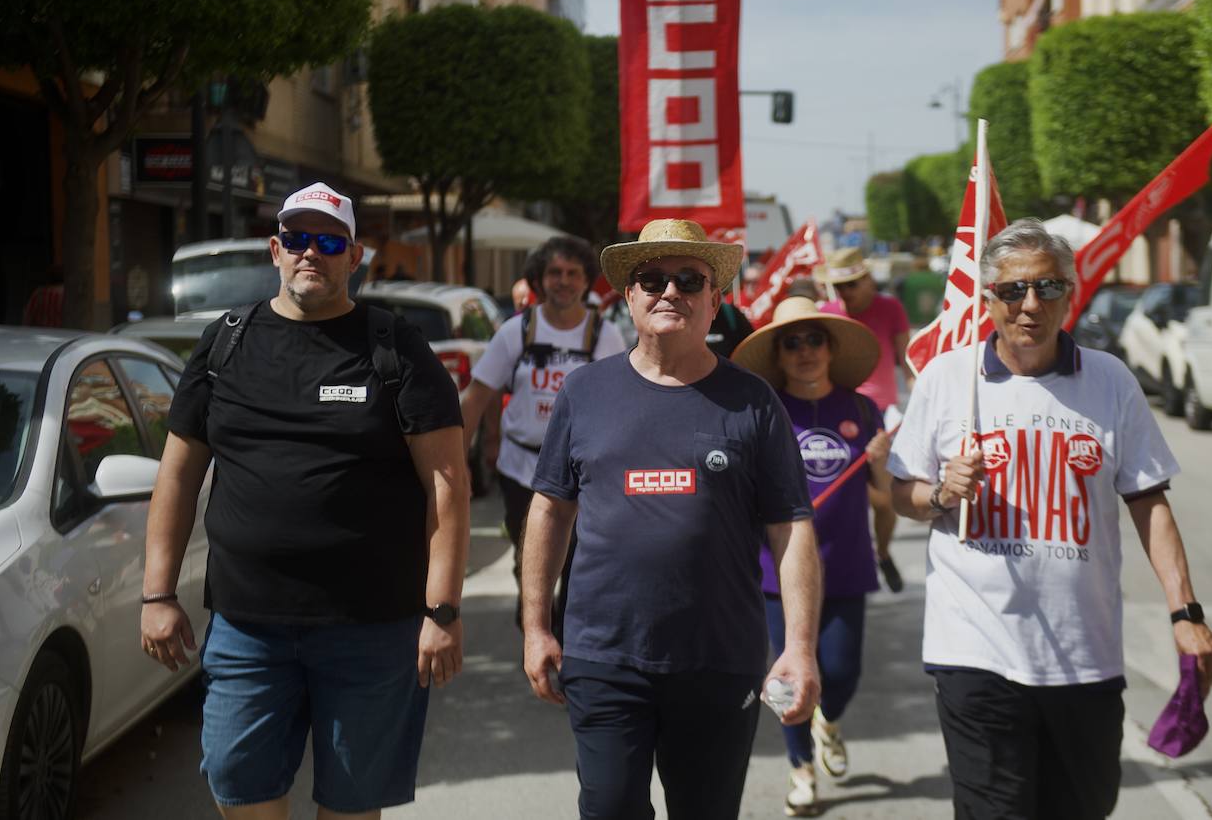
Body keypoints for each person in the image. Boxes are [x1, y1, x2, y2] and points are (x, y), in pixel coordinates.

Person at [140, 182, 469, 820]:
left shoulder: (395, 348)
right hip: (246, 625)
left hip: (372, 629)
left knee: (351, 805)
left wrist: (443, 609)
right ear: (275, 249)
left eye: (327, 241)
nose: (309, 253)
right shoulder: (224, 343)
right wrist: (157, 594)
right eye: (296, 239)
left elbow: (448, 486)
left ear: (355, 256)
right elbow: (177, 475)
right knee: (240, 788)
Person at [886, 218, 1212, 820]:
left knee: (1083, 807)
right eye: (1012, 290)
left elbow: (1149, 501)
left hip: (1083, 654)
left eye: (1047, 287)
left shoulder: (1110, 380)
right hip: (974, 650)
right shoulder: (947, 380)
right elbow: (900, 493)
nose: (1029, 305)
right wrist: (941, 494)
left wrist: (1185, 612)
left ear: (1071, 292)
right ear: (987, 299)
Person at [522, 219, 822, 820]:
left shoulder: (754, 400)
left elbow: (791, 528)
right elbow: (550, 509)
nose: (669, 291)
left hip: (717, 658)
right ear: (628, 295)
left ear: (715, 300)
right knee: (607, 809)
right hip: (604, 656)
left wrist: (801, 647)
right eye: (651, 278)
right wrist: (535, 626)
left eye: (689, 279)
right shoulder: (583, 393)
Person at [730, 296, 892, 816]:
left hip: (846, 564)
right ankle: (801, 768)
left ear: (831, 347)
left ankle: (829, 721)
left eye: (813, 339)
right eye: (791, 342)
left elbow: (884, 495)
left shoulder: (863, 410)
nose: (804, 351)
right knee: (785, 679)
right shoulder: (761, 410)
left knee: (842, 673)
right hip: (777, 573)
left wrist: (883, 468)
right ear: (778, 354)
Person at [460, 236, 625, 634]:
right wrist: (454, 465)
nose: (563, 281)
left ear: (587, 281)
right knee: (528, 556)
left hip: (582, 472)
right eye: (555, 273)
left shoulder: (605, 336)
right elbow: (477, 397)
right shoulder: (515, 332)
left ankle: (567, 641)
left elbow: (622, 406)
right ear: (538, 279)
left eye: (573, 273)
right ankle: (535, 621)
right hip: (522, 469)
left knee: (576, 558)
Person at [815, 247, 911, 592]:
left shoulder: (890, 308)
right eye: (839, 287)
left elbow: (907, 362)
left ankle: (882, 553)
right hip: (836, 416)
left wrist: (921, 403)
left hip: (881, 416)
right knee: (841, 497)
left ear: (868, 279)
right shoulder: (826, 313)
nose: (846, 293)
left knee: (884, 502)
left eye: (853, 284)